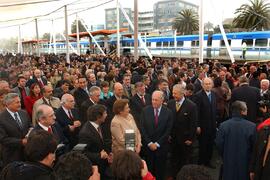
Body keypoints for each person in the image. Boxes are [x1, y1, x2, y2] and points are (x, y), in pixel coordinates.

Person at [215, 101, 256, 180]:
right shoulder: (252, 126)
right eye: (246, 109)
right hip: (245, 163)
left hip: (228, 161)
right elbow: (254, 147)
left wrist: (225, 154)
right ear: (242, 111)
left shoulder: (223, 125)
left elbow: (219, 143)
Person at [140, 90, 173, 180]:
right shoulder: (145, 111)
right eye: (152, 99)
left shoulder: (168, 112)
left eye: (156, 100)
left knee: (160, 171)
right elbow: (142, 129)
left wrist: (157, 144)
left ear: (162, 100)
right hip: (148, 148)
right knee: (149, 170)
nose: (153, 102)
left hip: (161, 148)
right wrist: (150, 143)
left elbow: (168, 131)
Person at [167, 84, 197, 178]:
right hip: (173, 139)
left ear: (183, 93)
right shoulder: (170, 103)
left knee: (184, 161)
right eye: (173, 93)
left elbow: (193, 124)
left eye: (175, 93)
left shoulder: (191, 106)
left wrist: (190, 139)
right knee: (174, 159)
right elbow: (169, 121)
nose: (173, 95)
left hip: (185, 140)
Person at [79, 104, 112, 180]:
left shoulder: (100, 125)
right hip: (96, 168)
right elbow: (82, 153)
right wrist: (99, 155)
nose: (106, 115)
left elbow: (103, 142)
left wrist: (108, 153)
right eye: (105, 113)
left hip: (104, 165)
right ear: (98, 117)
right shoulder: (85, 133)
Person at [0, 93, 31, 166]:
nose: (20, 104)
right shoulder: (1, 118)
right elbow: (3, 139)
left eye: (20, 101)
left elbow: (30, 126)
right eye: (17, 102)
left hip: (27, 152)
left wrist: (31, 130)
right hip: (12, 155)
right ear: (8, 104)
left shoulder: (24, 113)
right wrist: (21, 142)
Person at [194, 78, 217, 168]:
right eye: (206, 84)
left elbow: (214, 109)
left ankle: (208, 161)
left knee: (210, 144)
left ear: (212, 85)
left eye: (209, 84)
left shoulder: (214, 94)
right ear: (202, 85)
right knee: (203, 145)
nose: (208, 85)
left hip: (212, 125)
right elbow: (196, 112)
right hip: (203, 126)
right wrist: (198, 125)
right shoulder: (198, 96)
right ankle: (201, 163)